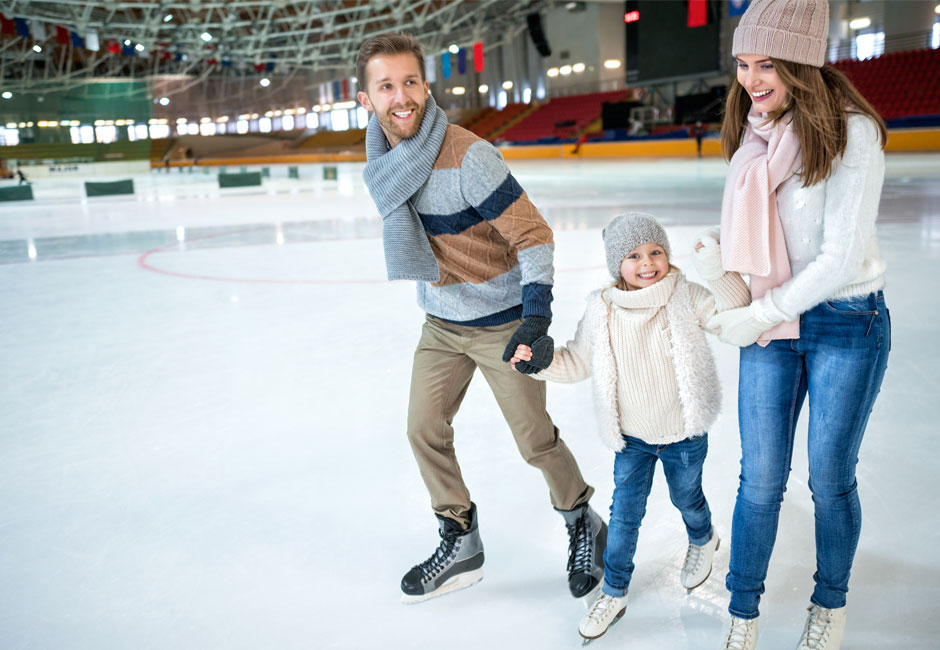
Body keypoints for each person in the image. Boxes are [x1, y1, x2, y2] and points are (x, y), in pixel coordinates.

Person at [355, 33, 606, 605]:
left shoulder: (469, 157)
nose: (402, 96)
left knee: (535, 441)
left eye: (410, 82)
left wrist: (534, 317)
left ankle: (582, 524)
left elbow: (535, 234)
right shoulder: (385, 163)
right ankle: (461, 539)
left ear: (426, 85)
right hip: (442, 324)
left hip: (500, 321)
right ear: (366, 99)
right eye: (386, 86)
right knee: (424, 428)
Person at [707, 1, 891, 648]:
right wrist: (721, 271)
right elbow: (757, 235)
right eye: (743, 64)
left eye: (767, 65)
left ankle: (829, 605)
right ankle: (743, 610)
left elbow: (839, 256)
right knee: (758, 480)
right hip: (773, 325)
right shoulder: (756, 129)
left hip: (846, 320)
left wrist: (758, 312)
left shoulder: (853, 132)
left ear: (802, 64)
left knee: (829, 478)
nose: (752, 80)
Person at [512, 213, 751, 643]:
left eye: (656, 251)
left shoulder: (684, 294)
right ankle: (615, 590)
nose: (647, 262)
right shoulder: (602, 308)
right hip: (633, 440)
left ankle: (703, 539)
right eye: (634, 255)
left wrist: (720, 273)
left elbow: (732, 320)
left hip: (684, 433)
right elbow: (579, 362)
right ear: (615, 265)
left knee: (687, 497)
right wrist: (540, 363)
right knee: (624, 518)